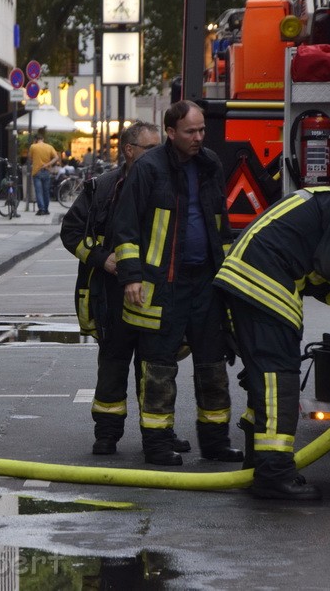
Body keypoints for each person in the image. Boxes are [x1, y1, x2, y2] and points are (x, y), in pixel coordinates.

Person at [214, 179, 330, 500]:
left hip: (246, 279)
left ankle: (259, 462)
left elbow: (322, 282)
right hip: (265, 282)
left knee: (265, 378)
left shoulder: (328, 206)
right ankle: (273, 475)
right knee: (280, 378)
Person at [112, 100, 242, 466]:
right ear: (171, 132)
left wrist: (229, 274)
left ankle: (215, 443)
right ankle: (156, 445)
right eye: (191, 131)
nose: (199, 137)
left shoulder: (210, 164)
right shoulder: (149, 169)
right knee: (159, 368)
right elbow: (125, 227)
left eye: (202, 130)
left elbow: (221, 221)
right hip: (162, 285)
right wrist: (132, 277)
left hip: (206, 284)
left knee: (212, 366)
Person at [60, 121, 166, 456]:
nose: (158, 154)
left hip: (156, 292)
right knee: (113, 363)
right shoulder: (102, 187)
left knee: (156, 367)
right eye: (151, 148)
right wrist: (101, 260)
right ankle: (107, 433)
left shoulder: (168, 183)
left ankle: (161, 435)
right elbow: (71, 233)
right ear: (130, 150)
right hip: (113, 292)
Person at [29, 127, 60, 216]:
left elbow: (30, 158)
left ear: (36, 140)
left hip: (36, 171)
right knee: (46, 191)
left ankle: (41, 209)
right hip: (47, 171)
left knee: (39, 191)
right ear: (43, 139)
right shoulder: (49, 147)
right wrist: (48, 164)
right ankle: (46, 209)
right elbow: (56, 157)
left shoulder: (33, 146)